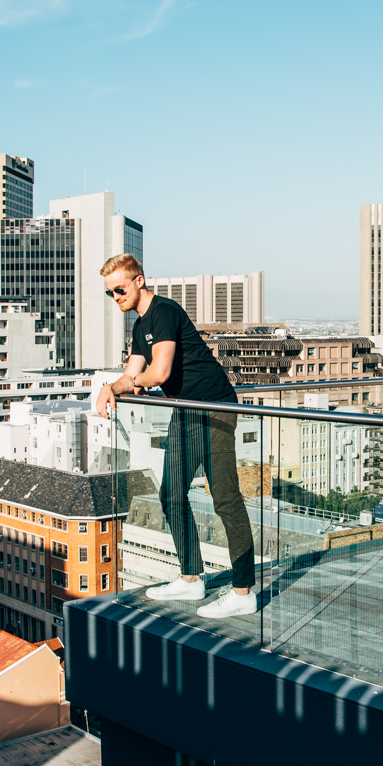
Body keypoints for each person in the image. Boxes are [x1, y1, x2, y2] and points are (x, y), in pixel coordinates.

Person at [93, 254, 257, 619]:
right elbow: (131, 374)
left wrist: (130, 383)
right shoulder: (139, 327)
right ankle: (191, 578)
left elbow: (160, 372)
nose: (116, 297)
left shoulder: (165, 311)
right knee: (171, 493)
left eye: (119, 289)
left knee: (226, 498)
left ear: (139, 281)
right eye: (110, 293)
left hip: (215, 407)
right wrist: (111, 388)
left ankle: (244, 591)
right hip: (185, 410)